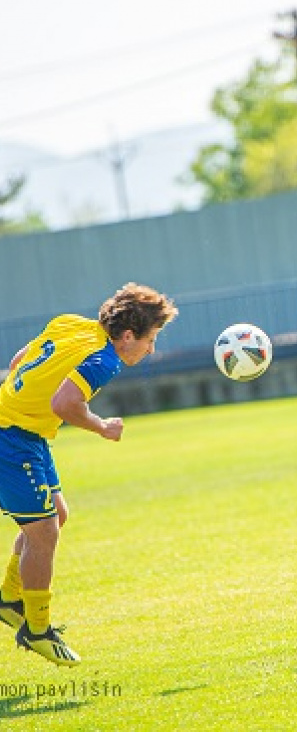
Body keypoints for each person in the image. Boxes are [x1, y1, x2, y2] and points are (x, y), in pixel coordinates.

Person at [0, 283, 178, 666]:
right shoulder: (105, 358)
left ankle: (10, 598)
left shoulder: (72, 324)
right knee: (43, 531)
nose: (151, 350)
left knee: (56, 517)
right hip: (10, 438)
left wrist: (25, 401)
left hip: (25, 434)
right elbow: (65, 403)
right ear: (128, 336)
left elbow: (19, 359)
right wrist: (102, 427)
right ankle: (37, 629)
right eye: (151, 340)